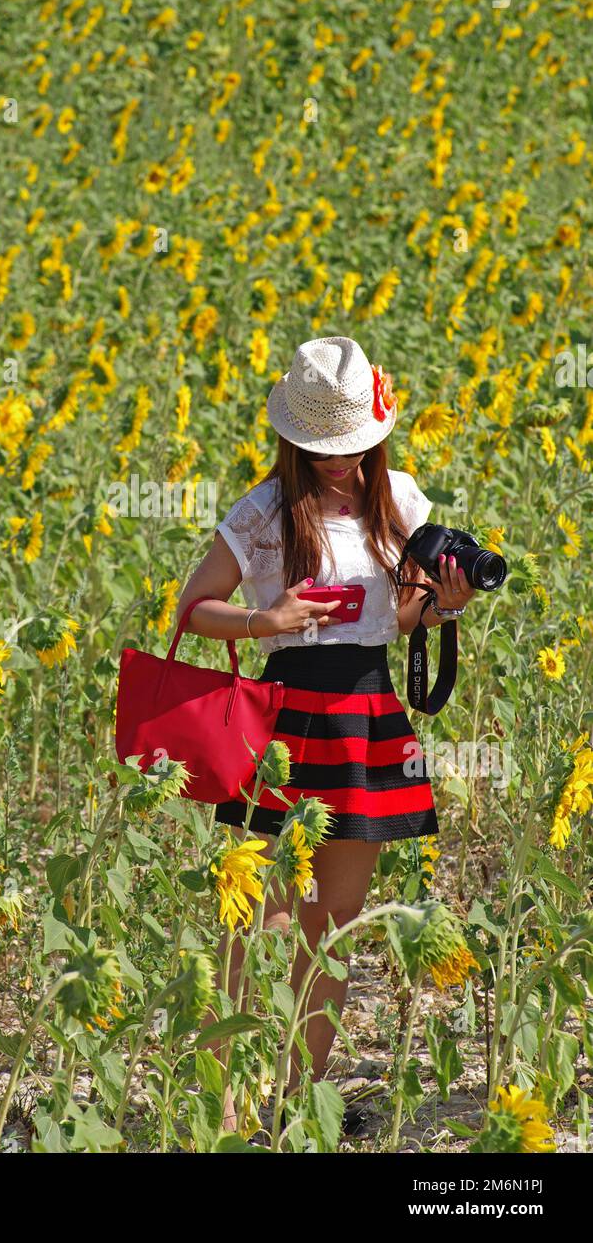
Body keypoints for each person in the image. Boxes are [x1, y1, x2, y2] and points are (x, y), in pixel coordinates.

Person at [174, 335, 476, 1139]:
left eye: (350, 447)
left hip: (366, 711)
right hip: (278, 717)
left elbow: (402, 617)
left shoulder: (400, 500)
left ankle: (297, 1099)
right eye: (319, 448)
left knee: (333, 918)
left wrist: (444, 603)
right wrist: (263, 619)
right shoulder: (264, 509)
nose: (336, 462)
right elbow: (192, 609)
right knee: (260, 915)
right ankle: (228, 1103)